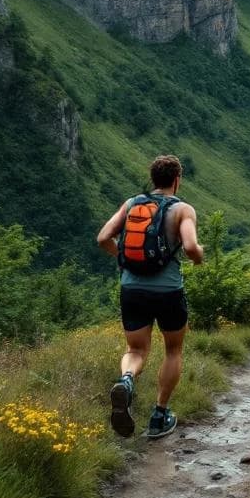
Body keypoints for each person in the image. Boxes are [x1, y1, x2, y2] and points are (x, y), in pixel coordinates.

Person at [96, 154, 204, 439]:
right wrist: (199, 257)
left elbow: (103, 237)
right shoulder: (182, 209)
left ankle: (127, 381)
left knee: (135, 351)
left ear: (153, 179)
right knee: (172, 351)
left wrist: (123, 259)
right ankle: (159, 416)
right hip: (168, 290)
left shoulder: (132, 204)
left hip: (132, 289)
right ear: (177, 180)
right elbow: (191, 246)